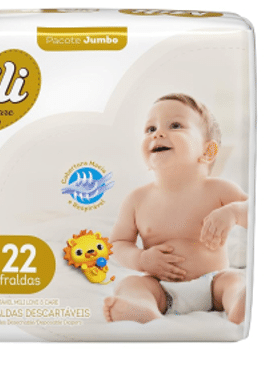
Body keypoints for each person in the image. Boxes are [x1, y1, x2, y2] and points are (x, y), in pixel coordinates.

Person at [103, 93, 247, 324]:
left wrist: (234, 213)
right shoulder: (136, 200)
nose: (157, 133)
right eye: (150, 129)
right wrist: (141, 259)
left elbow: (257, 214)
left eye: (175, 125)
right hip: (161, 288)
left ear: (207, 151)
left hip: (213, 284)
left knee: (235, 280)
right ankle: (142, 309)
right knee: (131, 284)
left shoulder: (220, 190)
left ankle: (240, 303)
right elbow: (118, 244)